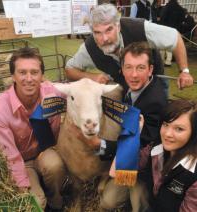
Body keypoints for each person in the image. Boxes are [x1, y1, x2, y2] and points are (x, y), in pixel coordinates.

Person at [70, 42, 168, 211]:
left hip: (145, 167)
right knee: (107, 202)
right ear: (121, 69)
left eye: (141, 68)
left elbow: (142, 144)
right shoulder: (130, 86)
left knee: (140, 204)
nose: (134, 75)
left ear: (150, 70)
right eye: (128, 67)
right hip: (127, 154)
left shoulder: (155, 102)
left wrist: (99, 145)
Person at [0, 47, 66, 211]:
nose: (29, 79)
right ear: (13, 76)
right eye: (22, 72)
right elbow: (11, 157)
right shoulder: (0, 110)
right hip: (22, 161)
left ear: (42, 75)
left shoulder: (52, 93)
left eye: (34, 72)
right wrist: (24, 187)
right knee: (37, 202)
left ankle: (56, 204)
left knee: (54, 165)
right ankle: (42, 199)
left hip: (46, 151)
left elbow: (77, 92)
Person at [65, 3, 193, 91]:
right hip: (124, 90)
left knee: (156, 120)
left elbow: (174, 37)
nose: (104, 38)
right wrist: (93, 77)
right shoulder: (89, 47)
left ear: (118, 26)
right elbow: (70, 69)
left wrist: (184, 71)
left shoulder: (140, 28)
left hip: (154, 84)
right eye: (97, 32)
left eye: (109, 29)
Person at [146, 99, 197, 212]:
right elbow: (135, 162)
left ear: (194, 133)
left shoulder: (193, 177)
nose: (167, 134)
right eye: (165, 124)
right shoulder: (156, 147)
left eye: (179, 129)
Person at [160, 0, 186, 66]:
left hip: (166, 28)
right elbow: (183, 18)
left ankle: (161, 60)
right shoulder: (180, 8)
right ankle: (168, 61)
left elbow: (162, 17)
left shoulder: (167, 7)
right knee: (171, 45)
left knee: (162, 45)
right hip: (175, 30)